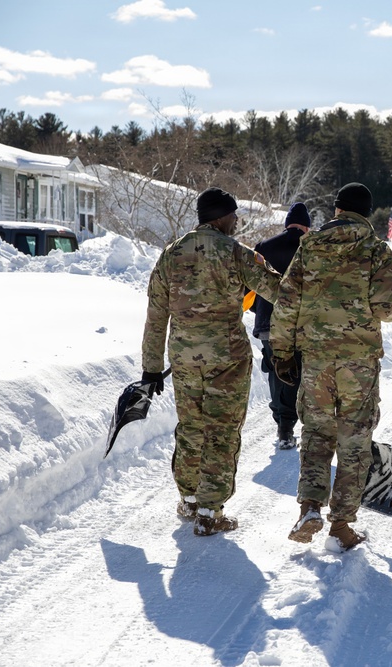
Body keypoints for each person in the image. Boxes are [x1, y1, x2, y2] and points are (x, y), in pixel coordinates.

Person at [270, 182, 392, 551]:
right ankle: (341, 525)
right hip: (358, 365)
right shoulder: (375, 250)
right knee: (354, 441)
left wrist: (283, 353)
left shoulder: (310, 247)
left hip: (317, 361)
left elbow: (286, 304)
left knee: (316, 434)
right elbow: (387, 307)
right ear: (367, 212)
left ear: (336, 209)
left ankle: (309, 507)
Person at [141, 187, 282, 537]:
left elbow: (156, 315)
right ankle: (209, 511)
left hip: (184, 358)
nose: (236, 222)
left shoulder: (170, 255)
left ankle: (189, 499)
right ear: (221, 217)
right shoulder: (236, 253)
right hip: (226, 358)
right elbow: (279, 290)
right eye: (234, 216)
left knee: (191, 427)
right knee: (221, 430)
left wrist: (151, 368)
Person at [251, 202, 311, 450]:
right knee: (303, 373)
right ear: (307, 227)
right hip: (303, 324)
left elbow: (251, 287)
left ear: (287, 223)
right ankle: (308, 428)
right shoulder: (312, 248)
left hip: (269, 323)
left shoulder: (264, 247)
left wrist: (260, 311)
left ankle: (284, 428)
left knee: (278, 372)